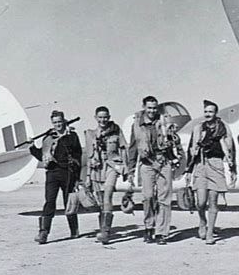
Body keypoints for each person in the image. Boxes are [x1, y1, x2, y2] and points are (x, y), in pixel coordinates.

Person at [128, 96, 183, 245]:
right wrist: (131, 169)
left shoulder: (165, 122)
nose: (152, 111)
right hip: (147, 164)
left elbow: (174, 142)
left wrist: (175, 158)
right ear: (144, 107)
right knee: (148, 197)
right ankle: (149, 227)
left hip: (163, 161)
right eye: (149, 108)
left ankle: (161, 233)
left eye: (154, 108)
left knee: (164, 198)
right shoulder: (137, 125)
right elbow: (133, 147)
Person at [185, 100, 237, 245]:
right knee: (201, 202)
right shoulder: (198, 128)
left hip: (216, 164)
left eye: (211, 112)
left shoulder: (222, 128)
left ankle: (209, 233)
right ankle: (202, 221)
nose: (208, 114)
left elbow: (230, 148)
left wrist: (233, 169)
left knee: (213, 201)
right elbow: (191, 149)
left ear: (215, 113)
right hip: (200, 164)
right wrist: (189, 171)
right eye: (206, 112)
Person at [29, 110, 82, 244]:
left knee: (69, 202)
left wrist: (77, 178)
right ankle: (43, 233)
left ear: (64, 121)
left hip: (68, 173)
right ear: (52, 123)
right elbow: (41, 155)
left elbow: (78, 156)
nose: (58, 124)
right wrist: (31, 146)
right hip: (52, 173)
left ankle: (74, 231)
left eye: (60, 122)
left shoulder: (72, 136)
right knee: (49, 202)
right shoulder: (48, 138)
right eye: (55, 122)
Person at [84, 106, 129, 245]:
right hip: (97, 168)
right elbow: (88, 156)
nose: (103, 120)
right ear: (95, 118)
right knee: (100, 199)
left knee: (108, 194)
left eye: (105, 117)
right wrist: (87, 176)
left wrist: (126, 168)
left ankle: (105, 231)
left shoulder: (116, 131)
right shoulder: (90, 134)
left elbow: (123, 149)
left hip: (112, 166)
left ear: (109, 117)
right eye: (100, 117)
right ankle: (102, 228)